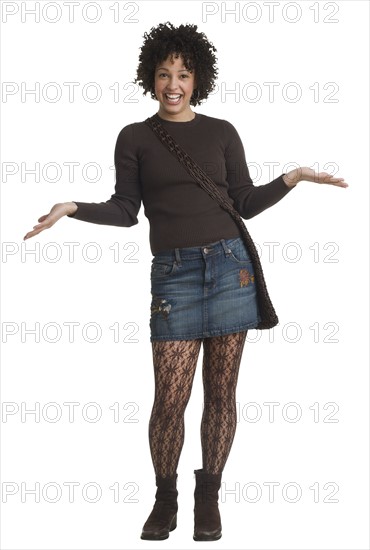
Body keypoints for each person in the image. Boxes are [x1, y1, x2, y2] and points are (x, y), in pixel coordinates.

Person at [23, 21, 348, 542]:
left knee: (221, 394)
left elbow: (242, 202)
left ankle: (209, 498)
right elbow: (127, 210)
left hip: (229, 266)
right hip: (173, 275)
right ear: (150, 78)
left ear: (199, 79)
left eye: (184, 74)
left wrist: (292, 179)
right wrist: (72, 208)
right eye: (163, 74)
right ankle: (164, 497)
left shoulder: (222, 131)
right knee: (169, 400)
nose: (173, 83)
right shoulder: (134, 137)